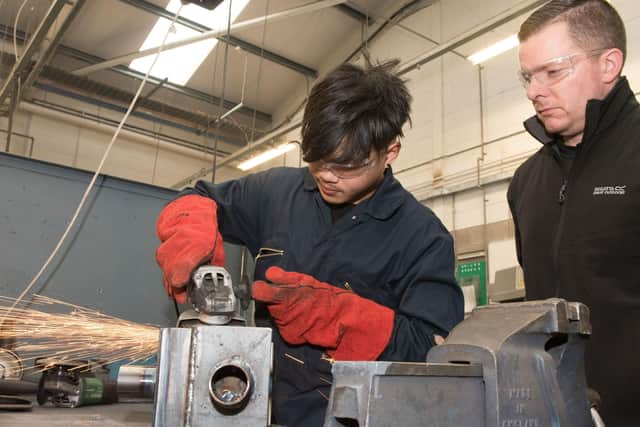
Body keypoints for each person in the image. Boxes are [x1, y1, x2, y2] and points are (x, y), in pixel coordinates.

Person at [155, 60, 464, 427]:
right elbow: (198, 196)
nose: (327, 176)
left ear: (390, 152)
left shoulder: (423, 237)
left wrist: (345, 318)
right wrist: (190, 227)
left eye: (348, 165)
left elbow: (434, 353)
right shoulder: (275, 193)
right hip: (260, 411)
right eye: (317, 159)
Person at [507, 1, 639, 425]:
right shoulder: (526, 183)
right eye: (528, 77)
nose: (533, 92)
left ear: (609, 64)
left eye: (553, 72)